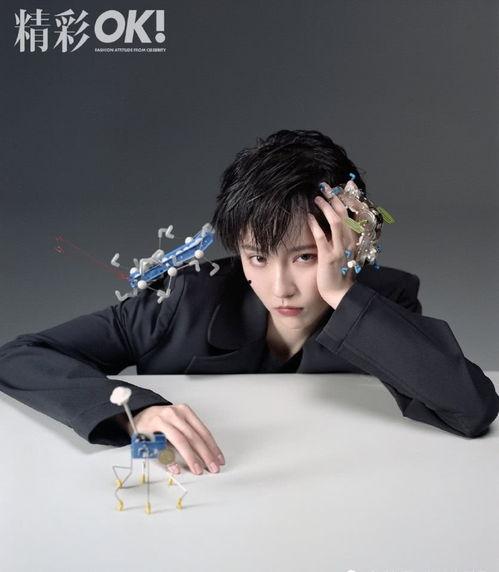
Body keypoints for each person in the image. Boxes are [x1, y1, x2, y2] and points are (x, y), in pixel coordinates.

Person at [0, 129, 497, 478]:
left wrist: (343, 294)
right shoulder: (183, 299)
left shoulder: (381, 301)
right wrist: (137, 413)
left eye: (305, 257)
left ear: (349, 239)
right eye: (257, 257)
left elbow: (472, 409)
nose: (280, 287)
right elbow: (19, 356)